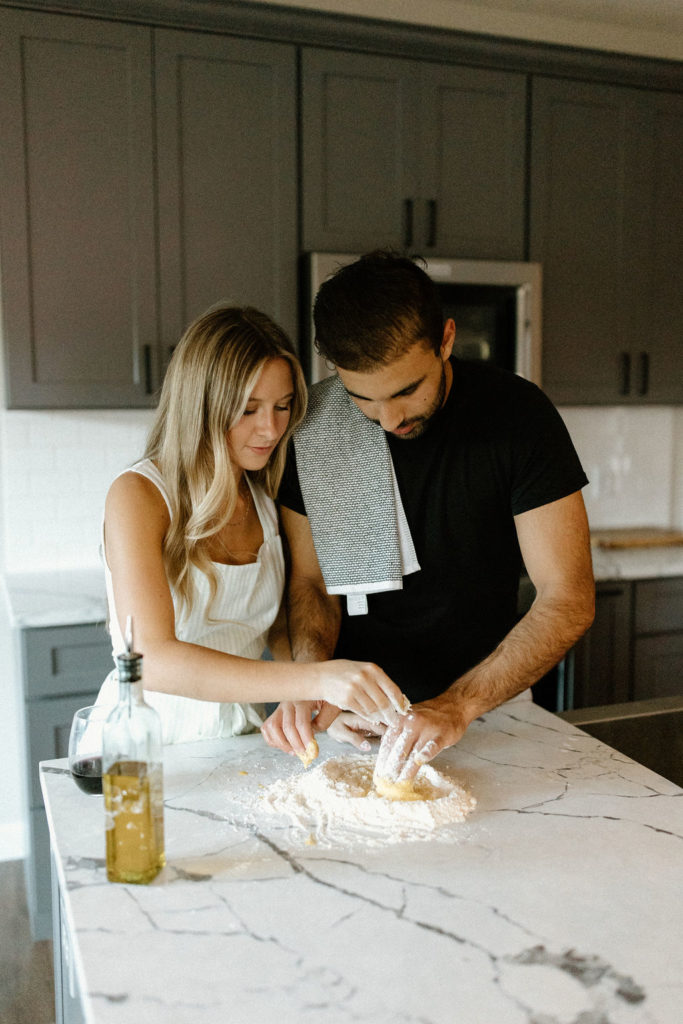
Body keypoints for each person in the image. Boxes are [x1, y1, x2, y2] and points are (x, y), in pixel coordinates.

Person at [261, 251, 595, 783]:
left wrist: (455, 705)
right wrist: (313, 680)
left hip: (488, 708)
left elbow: (568, 598)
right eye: (362, 398)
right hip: (354, 724)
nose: (388, 419)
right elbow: (311, 583)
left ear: (445, 340)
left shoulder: (518, 418)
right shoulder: (317, 427)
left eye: (406, 390)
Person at [94, 304, 409, 744]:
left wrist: (315, 710)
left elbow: (273, 624)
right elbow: (153, 660)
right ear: (200, 405)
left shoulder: (265, 496)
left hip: (239, 737)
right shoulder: (139, 496)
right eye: (248, 410)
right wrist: (314, 680)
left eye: (282, 406)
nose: (271, 429)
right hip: (143, 742)